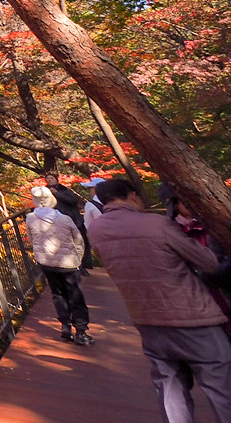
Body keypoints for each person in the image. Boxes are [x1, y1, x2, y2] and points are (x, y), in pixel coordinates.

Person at [91, 177, 231, 423]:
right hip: (193, 317)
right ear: (133, 195)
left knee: (169, 386)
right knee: (220, 385)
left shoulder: (96, 230)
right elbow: (208, 263)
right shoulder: (157, 224)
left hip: (147, 320)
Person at [27, 185, 93, 344]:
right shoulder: (65, 218)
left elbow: (31, 239)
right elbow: (79, 240)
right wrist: (78, 258)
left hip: (46, 262)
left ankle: (65, 326)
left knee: (57, 293)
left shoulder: (30, 218)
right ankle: (81, 332)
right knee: (75, 295)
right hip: (68, 263)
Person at [46, 171, 93, 272]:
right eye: (47, 178)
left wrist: (56, 194)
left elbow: (73, 201)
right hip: (55, 222)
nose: (49, 180)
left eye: (51, 178)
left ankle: (82, 266)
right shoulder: (45, 192)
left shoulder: (64, 190)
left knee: (77, 243)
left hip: (72, 219)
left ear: (56, 180)